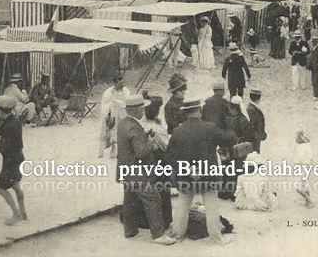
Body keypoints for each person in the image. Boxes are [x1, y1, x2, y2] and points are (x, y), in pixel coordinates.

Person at [167, 98, 237, 245]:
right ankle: (217, 239)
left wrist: (186, 169)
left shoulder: (177, 131)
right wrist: (230, 123)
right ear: (199, 110)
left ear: (185, 113)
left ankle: (177, 236)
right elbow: (230, 139)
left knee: (182, 206)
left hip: (186, 175)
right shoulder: (210, 128)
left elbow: (170, 157)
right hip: (208, 174)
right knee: (212, 206)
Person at [116, 94, 176, 245]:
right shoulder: (134, 127)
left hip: (126, 170)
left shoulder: (124, 123)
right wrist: (150, 141)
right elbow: (141, 152)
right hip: (138, 172)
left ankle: (129, 230)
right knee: (153, 198)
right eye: (142, 107)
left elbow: (130, 145)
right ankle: (158, 235)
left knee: (129, 200)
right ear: (138, 109)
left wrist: (144, 136)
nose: (144, 110)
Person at [0, 95, 27, 226]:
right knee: (16, 185)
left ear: (1, 111)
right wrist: (0, 142)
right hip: (18, 158)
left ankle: (16, 214)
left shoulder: (8, 126)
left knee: (1, 188)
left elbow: (8, 146)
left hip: (11, 160)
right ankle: (23, 213)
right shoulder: (13, 121)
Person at [99, 75, 130, 158]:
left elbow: (126, 103)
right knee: (105, 132)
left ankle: (115, 152)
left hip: (122, 114)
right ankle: (101, 152)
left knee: (119, 133)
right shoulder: (108, 92)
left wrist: (116, 102)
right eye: (120, 83)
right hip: (109, 114)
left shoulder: (126, 91)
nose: (122, 85)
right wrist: (107, 114)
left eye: (123, 82)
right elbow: (103, 105)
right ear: (114, 83)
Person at [294, 131, 314, 207]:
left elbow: (304, 158)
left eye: (296, 137)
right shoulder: (306, 146)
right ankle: (308, 201)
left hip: (303, 167)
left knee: (298, 187)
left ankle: (309, 199)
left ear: (300, 138)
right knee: (305, 185)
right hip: (305, 167)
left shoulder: (303, 147)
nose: (295, 138)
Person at [247, 89, 266, 153]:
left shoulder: (251, 108)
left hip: (254, 138)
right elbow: (251, 126)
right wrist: (259, 136)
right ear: (259, 98)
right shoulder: (253, 110)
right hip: (254, 139)